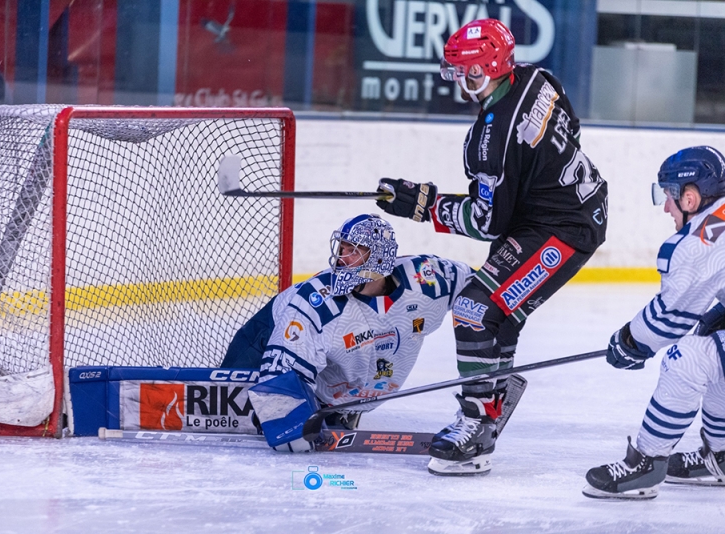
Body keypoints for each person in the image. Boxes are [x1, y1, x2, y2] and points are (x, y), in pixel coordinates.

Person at [374, 18, 608, 475]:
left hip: (564, 228)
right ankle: (494, 394)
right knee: (498, 310)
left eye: (466, 72)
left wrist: (423, 204)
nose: (460, 80)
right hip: (563, 210)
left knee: (476, 309)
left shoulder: (493, 138)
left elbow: (487, 221)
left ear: (486, 69)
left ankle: (479, 423)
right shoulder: (540, 78)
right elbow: (571, 132)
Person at [222, 213, 473, 452]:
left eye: (353, 250)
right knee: (226, 406)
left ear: (378, 257)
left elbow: (480, 286)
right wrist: (282, 414)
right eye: (341, 248)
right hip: (266, 336)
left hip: (333, 386)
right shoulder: (316, 304)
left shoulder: (426, 280)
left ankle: (336, 409)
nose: (342, 257)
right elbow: (282, 373)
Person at [583, 146, 725, 500]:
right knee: (715, 347)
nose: (665, 208)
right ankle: (721, 456)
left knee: (688, 357)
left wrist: (630, 341)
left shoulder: (700, 240)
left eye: (668, 197)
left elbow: (671, 317)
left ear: (689, 198)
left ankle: (646, 462)